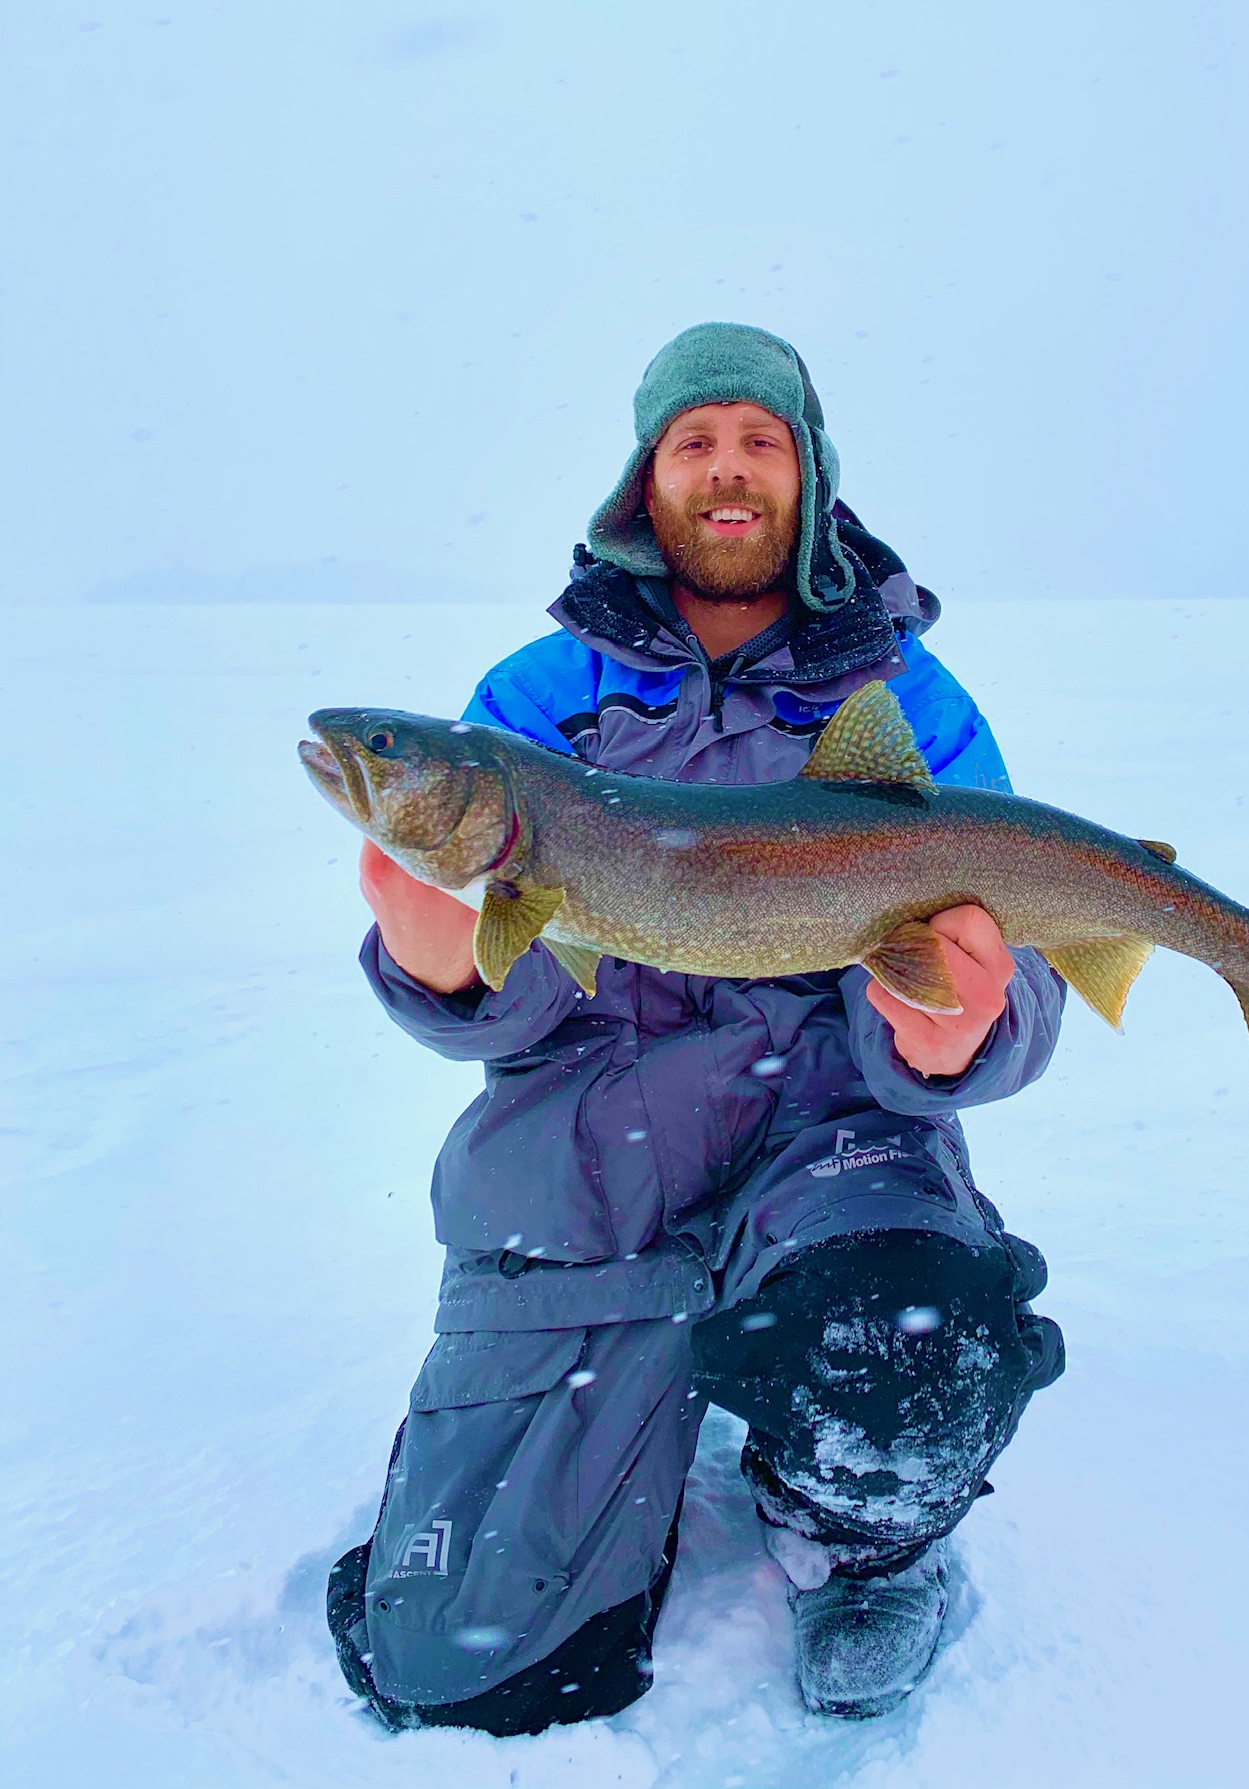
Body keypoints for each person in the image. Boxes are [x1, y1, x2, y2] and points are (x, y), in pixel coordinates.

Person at [326, 322, 1066, 1731]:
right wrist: (448, 971)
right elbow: (514, 1019)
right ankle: (587, 1418)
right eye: (693, 440)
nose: (727, 470)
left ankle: (851, 1533)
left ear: (807, 472)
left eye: (759, 438)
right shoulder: (536, 706)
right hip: (593, 1153)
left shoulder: (905, 698)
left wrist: (958, 1028)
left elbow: (1002, 970)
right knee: (469, 1659)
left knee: (906, 1335)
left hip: (829, 1138)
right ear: (644, 476)